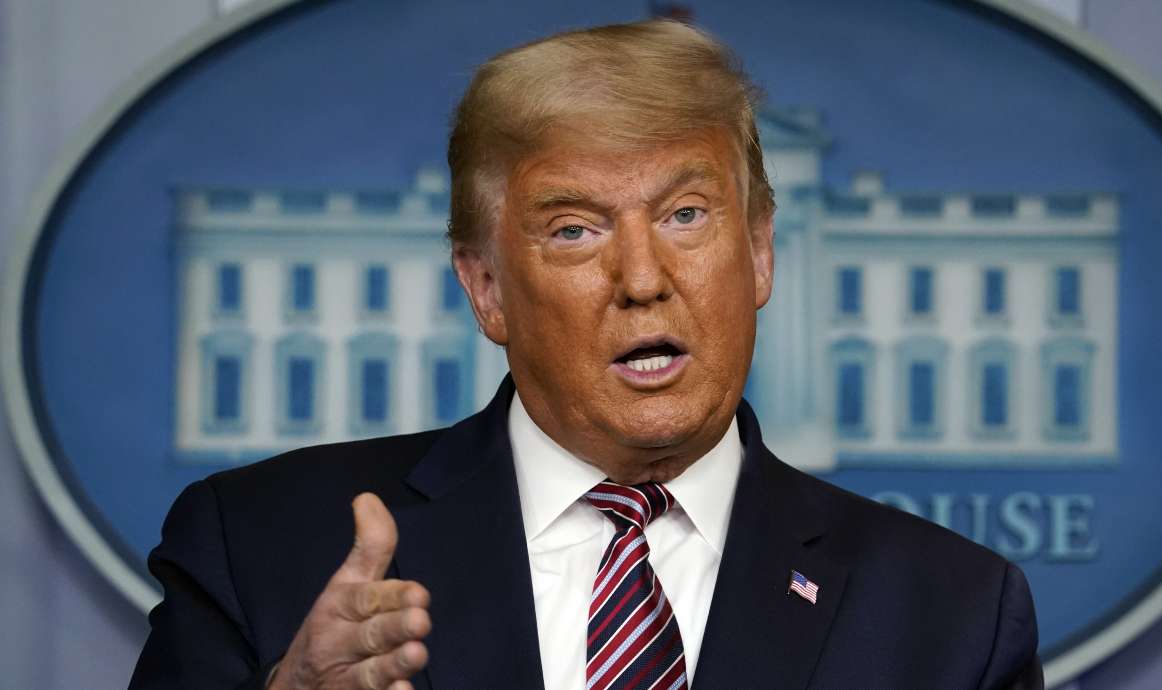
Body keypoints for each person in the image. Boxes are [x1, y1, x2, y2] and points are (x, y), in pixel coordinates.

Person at [129, 20, 1042, 690]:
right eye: (574, 230)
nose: (643, 278)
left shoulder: (950, 613)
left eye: (687, 215)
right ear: (486, 287)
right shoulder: (260, 549)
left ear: (760, 252)